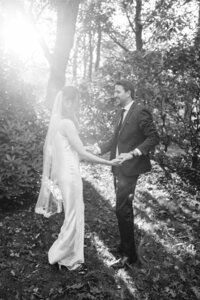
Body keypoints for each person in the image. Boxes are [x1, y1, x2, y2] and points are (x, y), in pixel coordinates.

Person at [35, 86, 120, 272]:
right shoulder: (67, 123)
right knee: (74, 214)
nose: (76, 104)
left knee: (73, 212)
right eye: (74, 101)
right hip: (71, 173)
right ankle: (63, 255)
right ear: (68, 101)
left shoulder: (58, 121)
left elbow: (71, 147)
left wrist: (89, 148)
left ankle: (70, 252)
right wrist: (109, 163)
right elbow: (81, 153)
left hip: (65, 173)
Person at [88, 80, 159, 268]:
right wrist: (96, 148)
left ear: (128, 92)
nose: (115, 94)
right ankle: (124, 246)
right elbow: (116, 139)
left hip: (130, 168)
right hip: (118, 167)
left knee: (123, 210)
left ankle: (130, 256)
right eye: (114, 91)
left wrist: (134, 153)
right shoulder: (121, 112)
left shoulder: (140, 110)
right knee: (122, 209)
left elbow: (153, 137)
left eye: (118, 91)